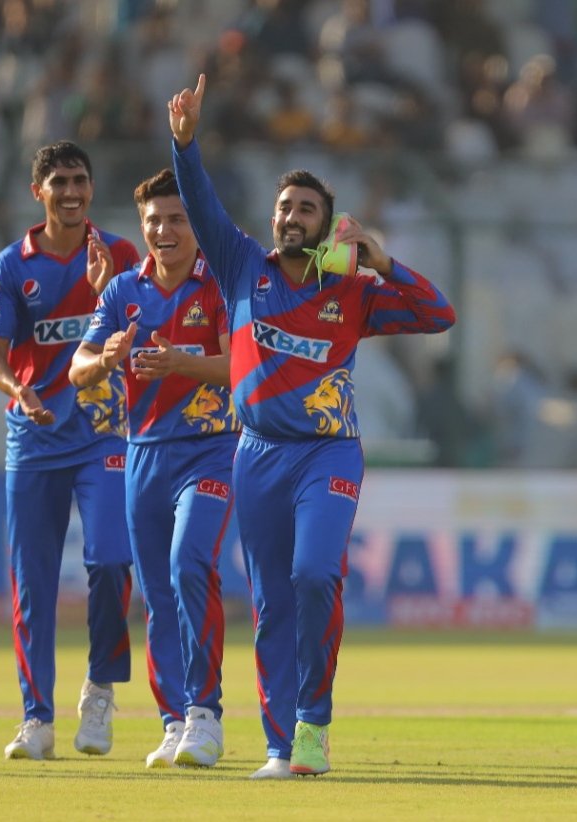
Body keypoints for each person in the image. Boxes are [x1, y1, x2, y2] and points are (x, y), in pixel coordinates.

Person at [167, 75, 457, 779]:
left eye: (306, 209)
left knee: (316, 574)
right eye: (285, 207)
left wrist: (383, 261)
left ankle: (314, 726)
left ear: (326, 225)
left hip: (328, 454)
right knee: (271, 605)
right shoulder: (241, 266)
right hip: (256, 454)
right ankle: (281, 746)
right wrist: (185, 144)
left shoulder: (352, 292)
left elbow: (438, 314)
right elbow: (201, 204)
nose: (292, 216)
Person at [69, 168, 239, 769]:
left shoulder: (219, 283)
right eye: (153, 221)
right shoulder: (122, 290)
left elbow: (241, 368)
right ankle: (173, 721)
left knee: (190, 562)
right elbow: (79, 368)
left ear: (196, 223)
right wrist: (105, 358)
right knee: (158, 594)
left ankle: (205, 715)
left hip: (210, 448)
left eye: (176, 219)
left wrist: (179, 364)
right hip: (143, 453)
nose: (163, 231)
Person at [0, 140, 140, 761]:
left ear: (91, 188)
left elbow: (144, 330)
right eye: (59, 182)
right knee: (32, 585)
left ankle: (99, 690)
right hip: (35, 438)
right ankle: (36, 719)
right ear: (38, 192)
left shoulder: (120, 255)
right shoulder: (11, 265)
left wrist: (106, 292)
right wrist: (17, 388)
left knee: (111, 561)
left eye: (80, 180)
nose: (71, 192)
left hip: (104, 433)